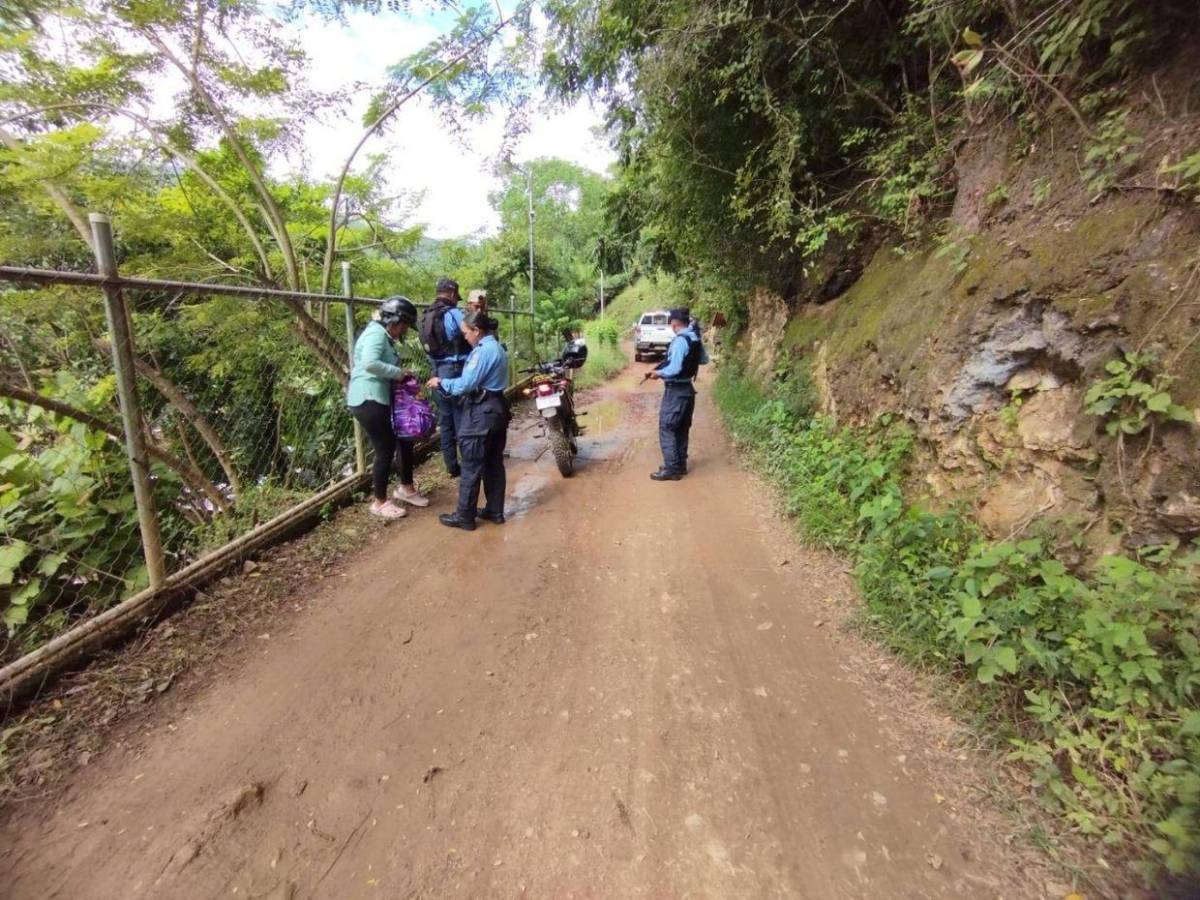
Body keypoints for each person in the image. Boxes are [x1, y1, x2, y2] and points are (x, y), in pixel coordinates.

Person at [346, 296, 429, 519]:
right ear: (395, 320)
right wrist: (398, 373)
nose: (403, 331)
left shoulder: (381, 334)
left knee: (402, 440)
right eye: (403, 326)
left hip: (378, 397)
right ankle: (379, 502)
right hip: (368, 399)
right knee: (384, 450)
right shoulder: (375, 334)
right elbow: (369, 363)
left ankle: (406, 488)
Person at [426, 311, 509, 531]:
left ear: (477, 331)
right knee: (493, 463)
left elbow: (466, 384)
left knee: (471, 464)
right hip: (498, 409)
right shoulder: (498, 348)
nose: (465, 337)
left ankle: (465, 516)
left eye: (466, 333)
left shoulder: (482, 352)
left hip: (481, 413)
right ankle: (495, 510)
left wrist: (442, 382)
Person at [644, 307, 708, 481]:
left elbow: (675, 368)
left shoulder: (680, 340)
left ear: (673, 324)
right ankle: (680, 465)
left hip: (676, 392)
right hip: (688, 390)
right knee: (681, 429)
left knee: (668, 427)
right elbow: (704, 360)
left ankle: (672, 469)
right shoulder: (695, 338)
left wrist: (658, 373)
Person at [420, 277, 470, 477]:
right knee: (462, 417)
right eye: (456, 296)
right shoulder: (454, 313)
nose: (457, 300)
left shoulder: (426, 315)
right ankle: (468, 463)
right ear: (450, 293)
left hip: (436, 371)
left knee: (446, 421)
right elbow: (469, 333)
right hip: (455, 369)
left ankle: (451, 466)